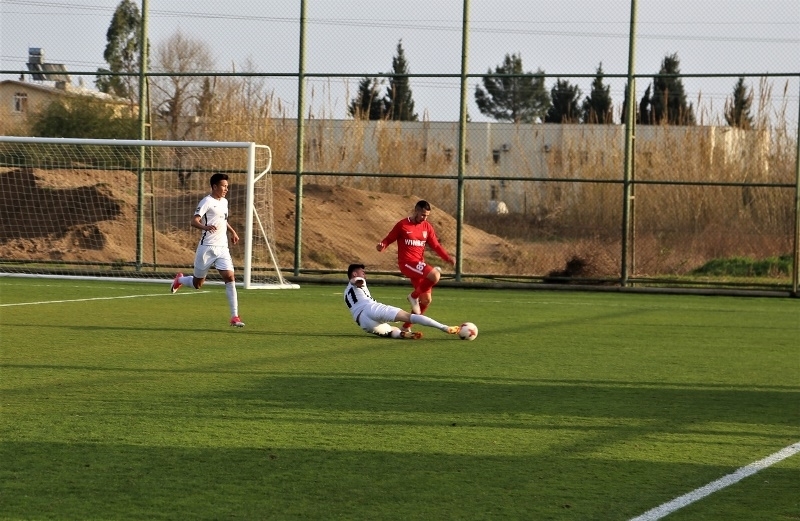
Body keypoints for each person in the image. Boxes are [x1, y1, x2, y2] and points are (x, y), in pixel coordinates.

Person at [170, 173, 245, 327]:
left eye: (227, 186)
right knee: (197, 284)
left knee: (230, 277)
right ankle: (180, 280)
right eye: (223, 186)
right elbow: (194, 221)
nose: (226, 189)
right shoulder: (206, 201)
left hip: (222, 248)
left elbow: (222, 220)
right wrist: (205, 227)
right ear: (215, 186)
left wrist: (233, 232)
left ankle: (234, 317)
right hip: (207, 248)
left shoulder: (224, 202)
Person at [376, 200, 455, 332]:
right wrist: (382, 246)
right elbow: (389, 238)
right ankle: (413, 296)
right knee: (435, 275)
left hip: (419, 265)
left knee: (426, 300)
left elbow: (435, 245)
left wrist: (447, 257)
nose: (425, 218)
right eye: (423, 215)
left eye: (427, 216)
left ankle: (405, 327)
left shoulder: (427, 227)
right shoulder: (403, 225)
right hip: (407, 263)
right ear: (416, 211)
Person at [344, 263, 460, 339]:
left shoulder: (345, 293)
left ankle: (403, 334)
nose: (364, 274)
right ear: (354, 274)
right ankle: (444, 327)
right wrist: (357, 281)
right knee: (410, 317)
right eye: (362, 272)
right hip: (370, 309)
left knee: (391, 331)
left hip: (363, 322)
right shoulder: (358, 280)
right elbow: (355, 281)